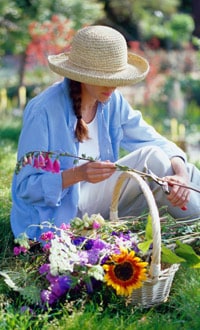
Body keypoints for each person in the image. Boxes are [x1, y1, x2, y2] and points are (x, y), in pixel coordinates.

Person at [11, 25, 200, 240]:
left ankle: (194, 226)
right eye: (104, 78)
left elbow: (154, 140)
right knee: (153, 159)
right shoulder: (44, 110)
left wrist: (181, 174)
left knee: (185, 171)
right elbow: (26, 187)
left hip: (101, 205)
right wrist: (78, 174)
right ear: (81, 74)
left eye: (116, 79)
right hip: (62, 213)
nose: (112, 87)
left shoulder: (112, 101)